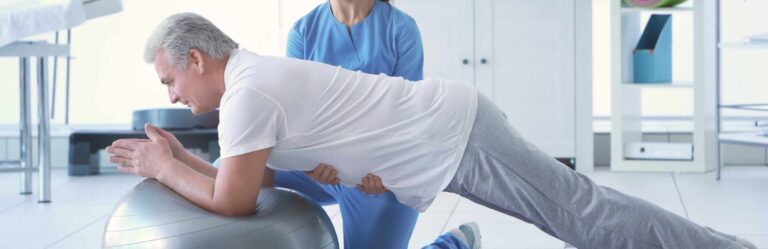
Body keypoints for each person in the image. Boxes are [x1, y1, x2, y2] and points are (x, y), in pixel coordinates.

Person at [108, 13, 756, 249]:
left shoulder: (246, 95)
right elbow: (250, 180)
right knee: (581, 214)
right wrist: (177, 159)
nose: (171, 95)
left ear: (197, 59)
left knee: (583, 216)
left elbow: (235, 201)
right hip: (448, 137)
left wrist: (165, 166)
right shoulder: (250, 84)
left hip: (457, 136)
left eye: (170, 81)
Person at [272, 0, 477, 248]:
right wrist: (307, 164)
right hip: (320, 167)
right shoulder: (304, 31)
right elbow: (297, 116)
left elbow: (409, 118)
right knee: (234, 170)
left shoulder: (400, 28)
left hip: (378, 176)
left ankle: (452, 244)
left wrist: (383, 170)